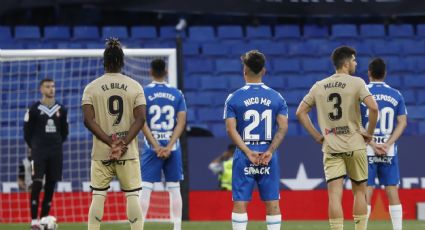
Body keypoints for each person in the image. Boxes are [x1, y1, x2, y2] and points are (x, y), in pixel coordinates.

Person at [296, 46, 379, 230]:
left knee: (334, 195)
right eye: (355, 60)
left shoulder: (319, 85)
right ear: (347, 62)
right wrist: (370, 133)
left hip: (331, 147)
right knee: (359, 192)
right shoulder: (357, 82)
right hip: (355, 145)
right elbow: (374, 108)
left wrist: (317, 136)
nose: (356, 63)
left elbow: (300, 112)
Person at [82, 38, 146, 230]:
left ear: (105, 62)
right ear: (122, 62)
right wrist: (122, 143)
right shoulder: (135, 86)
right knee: (132, 195)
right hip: (128, 152)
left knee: (98, 196)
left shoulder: (91, 88)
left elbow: (88, 120)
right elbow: (141, 119)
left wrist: (111, 142)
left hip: (102, 153)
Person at [224, 50, 288, 230]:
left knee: (240, 203)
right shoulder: (277, 97)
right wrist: (270, 151)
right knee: (273, 203)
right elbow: (283, 127)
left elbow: (230, 129)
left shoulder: (233, 98)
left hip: (245, 154)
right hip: (268, 155)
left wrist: (247, 151)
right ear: (264, 71)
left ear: (244, 70)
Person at [139, 59, 186, 230]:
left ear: (151, 71)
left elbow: (141, 122)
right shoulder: (177, 93)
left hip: (152, 147)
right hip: (173, 147)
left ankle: (139, 226)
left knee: (145, 188)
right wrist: (168, 145)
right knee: (174, 188)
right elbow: (181, 123)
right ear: (166, 71)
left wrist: (156, 146)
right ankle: (177, 227)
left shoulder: (143, 92)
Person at [361, 58, 407, 230]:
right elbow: (402, 122)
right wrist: (388, 143)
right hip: (389, 151)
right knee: (392, 191)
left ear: (369, 73)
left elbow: (356, 123)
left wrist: (373, 143)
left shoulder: (362, 93)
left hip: (367, 150)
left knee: (367, 191)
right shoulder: (396, 94)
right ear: (385, 73)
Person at [24, 78, 68, 230]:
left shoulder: (62, 109)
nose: (51, 89)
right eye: (48, 86)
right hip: (39, 153)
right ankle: (34, 221)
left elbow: (64, 133)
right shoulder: (34, 109)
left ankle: (43, 220)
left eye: (53, 86)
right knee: (36, 183)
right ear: (41, 89)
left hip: (55, 153)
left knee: (50, 185)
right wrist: (35, 147)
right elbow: (27, 133)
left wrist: (54, 144)